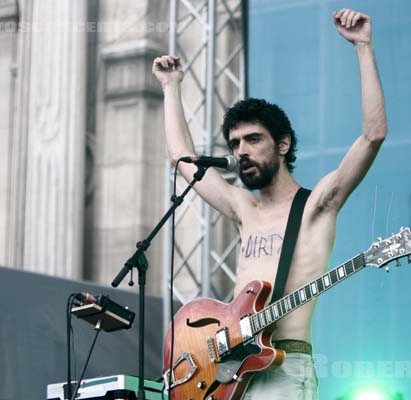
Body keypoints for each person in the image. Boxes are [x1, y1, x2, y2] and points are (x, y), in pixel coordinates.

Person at [152, 8, 386, 400]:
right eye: (235, 143)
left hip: (284, 368)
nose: (241, 150)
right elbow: (182, 159)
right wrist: (170, 87)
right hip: (230, 371)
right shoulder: (243, 209)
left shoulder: (318, 204)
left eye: (253, 140)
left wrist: (363, 46)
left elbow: (373, 135)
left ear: (283, 144)